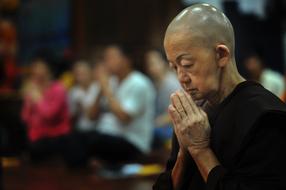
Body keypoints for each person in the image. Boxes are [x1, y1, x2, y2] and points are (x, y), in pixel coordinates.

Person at [153, 3, 286, 190]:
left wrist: (200, 150)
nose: (181, 77)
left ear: (221, 54)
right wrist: (185, 152)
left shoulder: (266, 116)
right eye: (175, 67)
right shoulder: (192, 112)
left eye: (187, 64)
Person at [69, 44, 156, 167]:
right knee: (74, 137)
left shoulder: (139, 83)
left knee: (90, 141)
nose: (107, 62)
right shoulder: (112, 81)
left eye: (111, 58)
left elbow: (124, 118)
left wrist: (106, 87)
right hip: (109, 136)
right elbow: (91, 117)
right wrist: (100, 88)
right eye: (105, 59)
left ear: (126, 60)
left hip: (132, 141)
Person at [21, 58, 71, 162]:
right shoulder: (33, 89)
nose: (37, 73)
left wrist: (38, 99)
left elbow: (49, 116)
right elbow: (25, 118)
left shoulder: (58, 89)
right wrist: (29, 103)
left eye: (40, 69)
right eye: (35, 69)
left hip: (56, 135)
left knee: (34, 148)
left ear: (49, 72)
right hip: (37, 135)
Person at [145, 49, 180, 146]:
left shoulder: (171, 83)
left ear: (165, 63)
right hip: (160, 124)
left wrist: (153, 124)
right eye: (148, 64)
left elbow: (175, 112)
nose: (150, 67)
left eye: (154, 63)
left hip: (171, 127)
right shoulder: (154, 82)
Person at [68, 60, 100, 132]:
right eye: (78, 74)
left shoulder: (98, 87)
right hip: (81, 129)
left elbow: (94, 114)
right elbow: (71, 115)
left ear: (91, 72)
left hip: (98, 128)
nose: (81, 77)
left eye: (84, 73)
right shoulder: (73, 91)